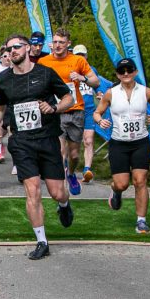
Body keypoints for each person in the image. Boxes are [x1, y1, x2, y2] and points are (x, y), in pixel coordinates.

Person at [0, 35, 76, 260]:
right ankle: (41, 241)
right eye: (9, 48)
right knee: (33, 189)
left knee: (57, 192)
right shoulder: (4, 79)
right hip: (21, 142)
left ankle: (64, 204)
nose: (12, 51)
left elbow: (69, 98)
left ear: (27, 48)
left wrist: (54, 108)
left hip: (47, 138)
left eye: (17, 46)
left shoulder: (45, 73)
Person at [94, 58, 150, 234]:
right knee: (122, 184)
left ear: (135, 72)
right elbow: (97, 112)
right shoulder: (110, 93)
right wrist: (100, 121)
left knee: (140, 181)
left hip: (140, 142)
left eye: (129, 70)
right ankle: (116, 191)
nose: (126, 73)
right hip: (119, 143)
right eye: (122, 71)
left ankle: (141, 221)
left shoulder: (145, 91)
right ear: (117, 74)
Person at [39, 29, 100, 196]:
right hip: (55, 111)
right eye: (55, 42)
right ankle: (62, 192)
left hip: (75, 111)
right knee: (60, 152)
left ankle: (71, 173)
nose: (58, 45)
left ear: (68, 44)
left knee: (74, 155)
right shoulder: (44, 62)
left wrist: (82, 78)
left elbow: (96, 82)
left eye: (61, 42)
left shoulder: (78, 60)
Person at [72, 44, 102, 182]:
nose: (80, 57)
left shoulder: (91, 70)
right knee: (72, 143)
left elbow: (97, 85)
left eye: (82, 55)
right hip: (73, 109)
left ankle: (87, 170)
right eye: (77, 55)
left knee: (88, 140)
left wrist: (99, 93)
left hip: (89, 110)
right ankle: (69, 168)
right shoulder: (69, 69)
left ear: (86, 56)